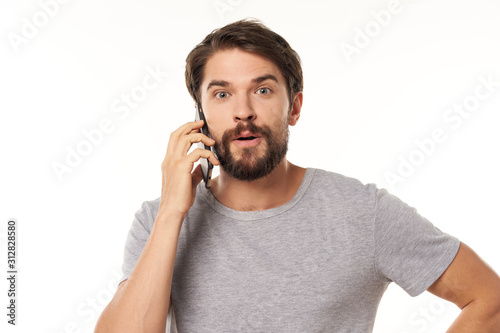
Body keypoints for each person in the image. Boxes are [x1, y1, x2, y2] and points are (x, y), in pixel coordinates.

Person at [95, 19, 500, 333]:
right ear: (199, 117)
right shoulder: (158, 221)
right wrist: (171, 213)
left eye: (263, 90)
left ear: (294, 108)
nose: (243, 111)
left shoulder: (363, 213)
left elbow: (489, 300)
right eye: (221, 94)